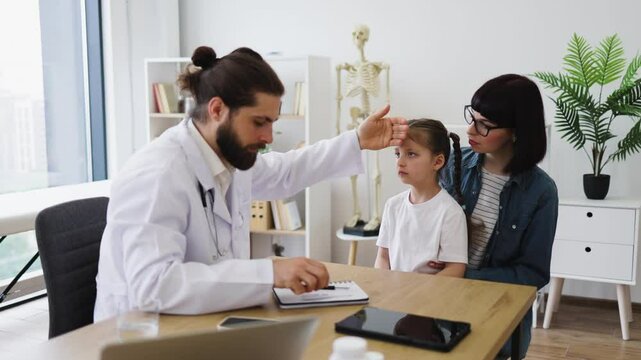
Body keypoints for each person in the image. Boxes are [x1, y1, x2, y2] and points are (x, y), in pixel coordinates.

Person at [94, 46, 408, 321]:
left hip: (204, 319)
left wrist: (356, 141)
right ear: (217, 109)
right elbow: (154, 285)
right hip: (138, 336)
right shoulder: (158, 174)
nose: (268, 138)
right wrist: (270, 272)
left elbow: (287, 171)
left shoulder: (227, 155)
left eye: (271, 123)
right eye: (259, 122)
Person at [436, 74, 559, 359]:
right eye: (472, 116)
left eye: (485, 125)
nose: (471, 129)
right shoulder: (451, 164)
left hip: (497, 319)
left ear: (516, 132)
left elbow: (533, 273)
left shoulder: (541, 192)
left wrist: (464, 275)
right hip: (439, 307)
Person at [374, 119, 467, 277]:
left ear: (437, 162)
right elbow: (383, 257)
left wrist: (418, 292)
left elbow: (456, 268)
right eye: (397, 154)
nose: (400, 162)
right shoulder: (393, 205)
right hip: (394, 294)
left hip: (430, 297)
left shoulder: (450, 213)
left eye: (411, 154)